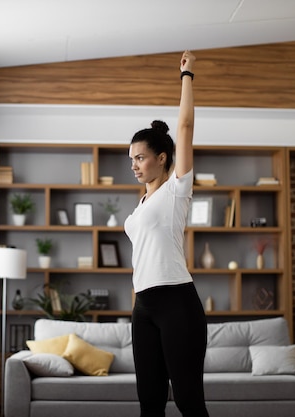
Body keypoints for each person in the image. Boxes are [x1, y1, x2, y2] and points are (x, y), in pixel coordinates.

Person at [124, 51, 209, 417]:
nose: (134, 166)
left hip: (177, 304)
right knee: (150, 404)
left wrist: (186, 75)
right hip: (143, 306)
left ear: (162, 157)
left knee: (189, 402)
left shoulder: (177, 190)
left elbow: (186, 126)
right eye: (131, 160)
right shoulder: (142, 204)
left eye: (140, 158)